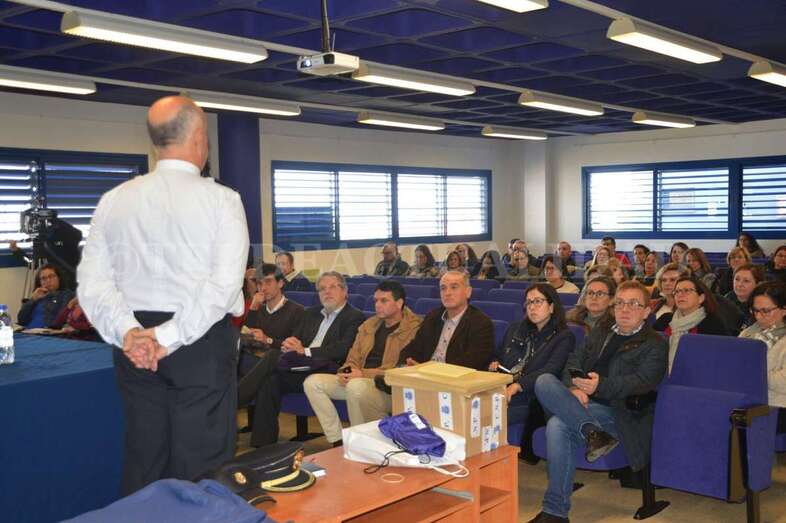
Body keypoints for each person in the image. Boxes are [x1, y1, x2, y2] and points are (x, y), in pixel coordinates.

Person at [77, 96, 250, 495]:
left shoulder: (114, 200)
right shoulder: (221, 200)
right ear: (199, 138)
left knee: (145, 459)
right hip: (199, 342)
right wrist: (165, 337)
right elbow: (222, 287)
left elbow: (92, 283)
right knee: (201, 468)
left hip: (136, 348)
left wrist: (131, 333)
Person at [528, 281, 667, 523]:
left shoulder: (655, 343)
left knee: (557, 425)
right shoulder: (602, 331)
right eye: (620, 303)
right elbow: (574, 359)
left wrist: (599, 386)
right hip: (581, 402)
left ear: (646, 311)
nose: (625, 309)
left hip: (618, 411)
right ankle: (593, 432)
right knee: (544, 380)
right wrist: (573, 387)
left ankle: (555, 512)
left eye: (633, 304)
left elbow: (642, 381)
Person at [250, 271, 365, 447]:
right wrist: (290, 344)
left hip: (327, 367)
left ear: (344, 291)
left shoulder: (354, 316)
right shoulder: (311, 313)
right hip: (302, 366)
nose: (327, 292)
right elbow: (295, 338)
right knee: (270, 380)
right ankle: (263, 445)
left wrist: (305, 351)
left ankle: (239, 397)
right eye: (322, 289)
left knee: (272, 357)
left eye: (332, 287)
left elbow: (343, 349)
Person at [303, 281, 422, 446]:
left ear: (399, 303)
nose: (377, 305)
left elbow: (400, 370)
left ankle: (359, 443)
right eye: (376, 300)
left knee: (355, 386)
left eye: (384, 301)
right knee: (312, 383)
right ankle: (337, 440)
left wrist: (362, 374)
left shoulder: (414, 328)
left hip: (387, 387)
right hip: (358, 379)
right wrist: (346, 371)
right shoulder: (369, 325)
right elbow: (353, 356)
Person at [490, 284, 575, 442]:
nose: (532, 307)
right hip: (502, 388)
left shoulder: (564, 337)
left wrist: (518, 385)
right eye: (529, 302)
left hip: (531, 397)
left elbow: (551, 370)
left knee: (488, 417)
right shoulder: (516, 328)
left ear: (551, 307)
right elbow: (497, 354)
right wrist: (494, 362)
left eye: (538, 301)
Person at [236, 263, 305, 431]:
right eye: (259, 283)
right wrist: (253, 308)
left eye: (268, 282)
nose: (262, 288)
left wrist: (268, 340)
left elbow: (293, 346)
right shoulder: (258, 309)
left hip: (281, 362)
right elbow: (245, 334)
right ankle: (262, 442)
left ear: (280, 283)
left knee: (268, 369)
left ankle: (234, 399)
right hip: (256, 361)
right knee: (238, 359)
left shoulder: (297, 311)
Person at [397, 270, 494, 370]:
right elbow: (414, 347)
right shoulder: (433, 317)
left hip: (453, 377)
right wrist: (406, 363)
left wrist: (428, 369)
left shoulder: (481, 323)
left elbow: (473, 362)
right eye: (443, 288)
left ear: (468, 292)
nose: (447, 293)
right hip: (425, 374)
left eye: (454, 287)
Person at [739, 282, 786, 433]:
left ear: (783, 310)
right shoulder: (747, 333)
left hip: (778, 405)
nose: (759, 316)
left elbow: (783, 382)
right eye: (755, 310)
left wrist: (752, 374)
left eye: (766, 311)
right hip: (746, 399)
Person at [660, 276, 729, 372]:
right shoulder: (664, 320)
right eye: (677, 291)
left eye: (686, 290)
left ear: (701, 298)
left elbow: (716, 360)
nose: (680, 295)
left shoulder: (713, 324)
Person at [17, 263, 74, 328]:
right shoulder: (37, 296)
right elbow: (21, 320)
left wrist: (50, 296)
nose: (48, 280)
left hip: (46, 332)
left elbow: (61, 320)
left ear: (59, 278)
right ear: (39, 282)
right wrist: (32, 300)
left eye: (51, 276)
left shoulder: (66, 295)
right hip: (27, 331)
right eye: (43, 278)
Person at [724, 263, 764, 332]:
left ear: (758, 284)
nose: (739, 284)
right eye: (737, 279)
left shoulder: (763, 307)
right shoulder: (725, 300)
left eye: (746, 281)